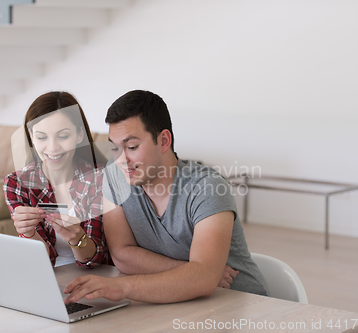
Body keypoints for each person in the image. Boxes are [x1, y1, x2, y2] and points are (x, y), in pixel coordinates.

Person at [63, 90, 268, 304]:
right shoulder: (115, 175)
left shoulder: (207, 187)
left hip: (243, 306)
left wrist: (121, 287)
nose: (121, 159)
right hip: (181, 307)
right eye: (115, 148)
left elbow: (205, 281)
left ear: (163, 141)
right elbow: (122, 255)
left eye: (132, 147)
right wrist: (191, 272)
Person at [4, 91, 109, 268]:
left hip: (93, 276)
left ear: (79, 135)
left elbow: (96, 260)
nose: (52, 148)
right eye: (42, 137)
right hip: (44, 274)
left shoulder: (100, 178)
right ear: (31, 137)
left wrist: (77, 237)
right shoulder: (16, 183)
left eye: (63, 136)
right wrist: (28, 232)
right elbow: (40, 261)